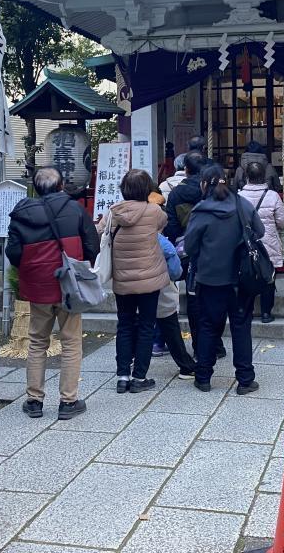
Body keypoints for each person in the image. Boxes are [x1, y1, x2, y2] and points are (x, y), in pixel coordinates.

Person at [5, 167, 100, 421]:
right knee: (71, 342)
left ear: (36, 189)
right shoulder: (76, 209)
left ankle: (34, 400)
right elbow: (93, 245)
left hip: (38, 287)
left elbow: (13, 253)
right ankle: (68, 402)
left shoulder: (22, 214)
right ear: (61, 186)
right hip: (68, 285)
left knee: (37, 341)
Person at [185, 163, 263, 395]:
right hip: (241, 278)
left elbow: (189, 246)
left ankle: (204, 377)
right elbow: (259, 232)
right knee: (241, 327)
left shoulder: (201, 211)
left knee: (208, 326)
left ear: (203, 184)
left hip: (210, 279)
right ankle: (245, 379)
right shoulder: (242, 205)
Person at [100, 169, 170, 394]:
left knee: (125, 325)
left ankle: (122, 376)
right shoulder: (155, 211)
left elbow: (100, 231)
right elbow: (161, 227)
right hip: (149, 278)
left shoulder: (113, 212)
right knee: (146, 326)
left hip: (123, 279)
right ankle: (140, 377)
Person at [164, 152, 225, 359]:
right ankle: (216, 344)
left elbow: (171, 227)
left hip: (186, 249)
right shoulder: (215, 191)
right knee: (214, 299)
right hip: (215, 249)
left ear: (186, 169)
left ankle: (200, 346)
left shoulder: (176, 193)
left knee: (194, 301)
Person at [238, 161, 284, 323]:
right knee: (268, 276)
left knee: (246, 275)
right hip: (267, 242)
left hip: (245, 242)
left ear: (246, 177)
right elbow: (282, 221)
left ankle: (246, 309)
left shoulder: (238, 196)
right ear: (264, 177)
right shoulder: (272, 196)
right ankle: (266, 313)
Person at [156, 233, 196, 378]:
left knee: (130, 325)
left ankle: (127, 372)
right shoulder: (151, 221)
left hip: (125, 282)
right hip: (155, 281)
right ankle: (186, 366)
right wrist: (175, 275)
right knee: (168, 323)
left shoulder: (116, 220)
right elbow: (170, 255)